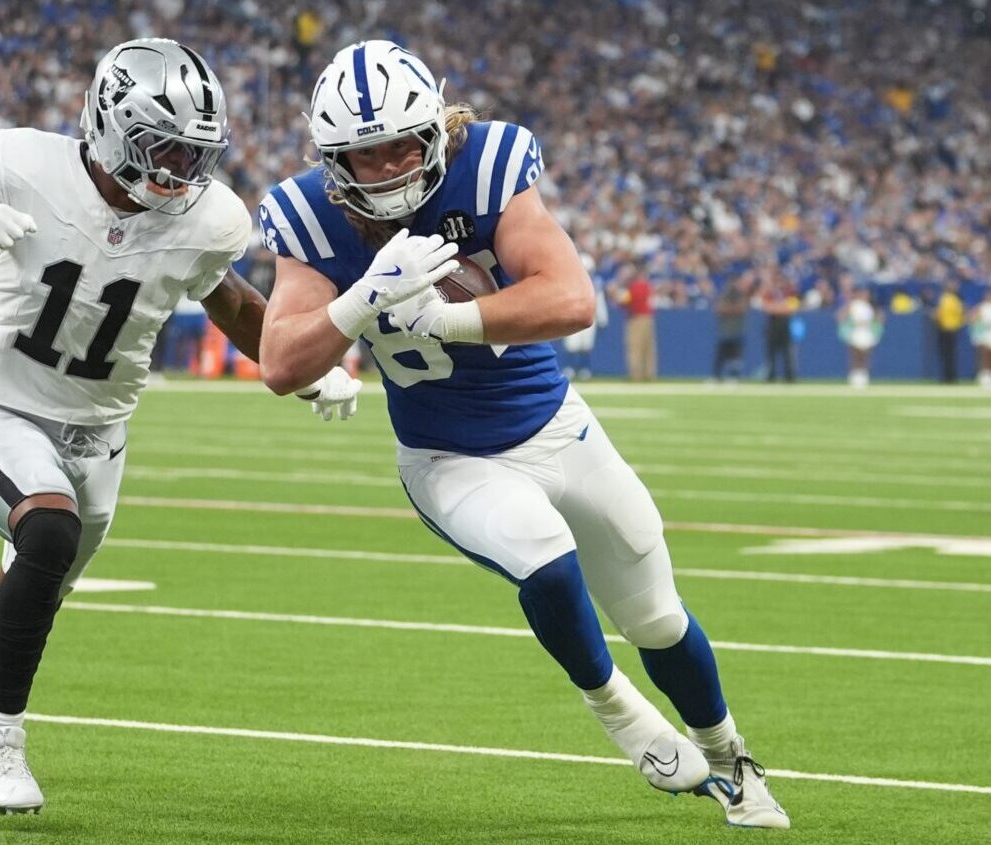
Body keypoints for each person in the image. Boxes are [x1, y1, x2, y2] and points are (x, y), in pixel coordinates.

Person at [257, 40, 787, 829]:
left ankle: (729, 752)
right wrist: (362, 299)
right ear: (334, 159)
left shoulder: (490, 164)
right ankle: (620, 712)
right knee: (543, 554)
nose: (392, 166)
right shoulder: (308, 214)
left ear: (438, 129)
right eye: (368, 154)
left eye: (406, 142)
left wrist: (445, 316)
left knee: (657, 618)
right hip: (450, 456)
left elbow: (573, 298)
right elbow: (278, 361)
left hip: (558, 427)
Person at [0, 38, 360, 815]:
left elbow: (233, 303)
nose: (180, 167)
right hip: (1, 405)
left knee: (36, 587)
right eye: (161, 145)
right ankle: (1, 740)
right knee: (46, 536)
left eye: (193, 151)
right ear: (109, 126)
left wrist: (306, 374)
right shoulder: (23, 164)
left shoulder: (208, 219)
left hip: (101, 435)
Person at [837, 286, 882, 388]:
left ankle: (864, 376)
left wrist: (873, 324)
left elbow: (878, 317)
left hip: (866, 332)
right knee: (855, 356)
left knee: (865, 356)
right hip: (855, 332)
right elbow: (841, 316)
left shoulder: (870, 306)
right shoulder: (853, 305)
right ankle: (854, 376)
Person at [618, 269, 656, 380]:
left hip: (636, 319)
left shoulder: (633, 288)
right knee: (648, 348)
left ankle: (636, 375)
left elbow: (625, 301)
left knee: (635, 347)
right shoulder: (648, 287)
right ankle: (649, 373)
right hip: (648, 318)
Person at [712, 274, 750, 382]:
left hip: (737, 330)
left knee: (736, 357)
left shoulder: (741, 295)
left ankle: (734, 377)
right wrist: (732, 309)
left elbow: (742, 308)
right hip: (725, 330)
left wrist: (727, 309)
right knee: (721, 355)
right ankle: (716, 377)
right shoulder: (724, 294)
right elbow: (718, 308)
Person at [935, 280, 964, 383]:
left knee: (947, 355)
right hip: (950, 330)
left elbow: (938, 314)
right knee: (949, 355)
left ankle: (948, 377)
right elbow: (961, 315)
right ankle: (950, 377)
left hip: (947, 330)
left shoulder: (946, 299)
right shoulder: (953, 299)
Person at [973, 296, 991, 389]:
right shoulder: (982, 307)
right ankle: (985, 377)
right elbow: (973, 319)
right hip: (985, 335)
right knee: (985, 356)